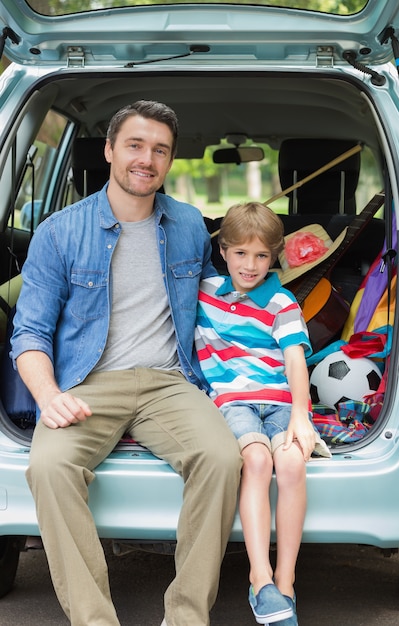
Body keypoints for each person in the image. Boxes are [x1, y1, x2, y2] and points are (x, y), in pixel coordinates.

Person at [11, 100, 242, 626]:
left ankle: (186, 617)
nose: (147, 158)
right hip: (89, 381)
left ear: (171, 160)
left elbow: (219, 304)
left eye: (160, 149)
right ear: (110, 150)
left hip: (170, 380)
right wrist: (49, 397)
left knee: (221, 458)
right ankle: (95, 620)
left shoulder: (186, 225)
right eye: (135, 145)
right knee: (48, 466)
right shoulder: (59, 232)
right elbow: (29, 332)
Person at [195, 202, 331, 626]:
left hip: (280, 401)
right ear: (223, 251)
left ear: (274, 257)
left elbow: (294, 361)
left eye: (261, 256)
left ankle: (286, 584)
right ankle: (260, 577)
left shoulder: (282, 301)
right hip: (232, 402)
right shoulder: (202, 292)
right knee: (255, 460)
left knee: (291, 464)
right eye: (240, 253)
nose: (250, 265)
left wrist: (301, 416)